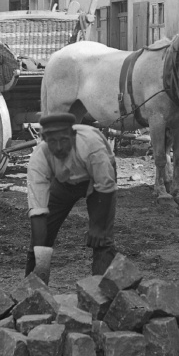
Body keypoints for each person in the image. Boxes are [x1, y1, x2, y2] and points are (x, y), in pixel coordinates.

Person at [25, 113, 118, 283]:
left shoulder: (91, 146)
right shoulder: (39, 158)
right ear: (44, 139)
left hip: (97, 181)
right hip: (64, 182)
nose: (59, 147)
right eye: (53, 142)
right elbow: (38, 210)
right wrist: (40, 254)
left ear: (73, 135)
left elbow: (105, 185)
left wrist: (97, 227)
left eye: (64, 140)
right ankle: (32, 295)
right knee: (40, 240)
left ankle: (102, 298)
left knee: (101, 239)